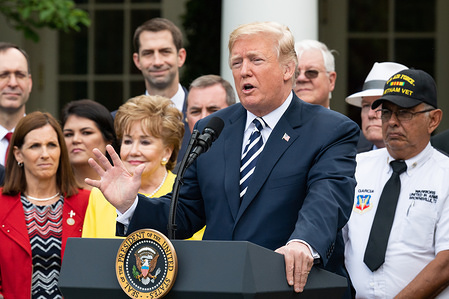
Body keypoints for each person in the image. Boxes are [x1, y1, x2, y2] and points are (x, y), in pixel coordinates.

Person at [86, 21, 359, 295]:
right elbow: (182, 213)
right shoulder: (213, 128)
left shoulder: (330, 130)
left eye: (256, 60)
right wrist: (130, 204)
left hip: (291, 287)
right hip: (221, 287)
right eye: (237, 62)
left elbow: (328, 198)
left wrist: (303, 242)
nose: (244, 71)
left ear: (288, 68)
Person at [344, 69, 449, 298]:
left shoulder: (445, 176)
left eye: (404, 113)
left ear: (433, 119)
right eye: (386, 113)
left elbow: (446, 263)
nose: (392, 122)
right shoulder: (356, 168)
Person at [0, 111, 90, 299]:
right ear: (18, 154)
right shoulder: (1, 204)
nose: (45, 154)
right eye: (35, 146)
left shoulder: (87, 202)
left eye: (51, 145)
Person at [82, 95, 184, 238]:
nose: (134, 151)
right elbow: (89, 254)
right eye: (128, 141)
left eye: (145, 142)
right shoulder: (100, 194)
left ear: (167, 151)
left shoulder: (185, 192)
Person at [125, 17, 190, 163]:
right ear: (137, 61)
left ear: (180, 57)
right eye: (148, 53)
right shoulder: (118, 121)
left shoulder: (208, 116)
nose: (157, 62)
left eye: (165, 52)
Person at [345, 62, 408, 153]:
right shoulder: (353, 160)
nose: (371, 114)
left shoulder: (433, 162)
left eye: (382, 106)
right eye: (366, 105)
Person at [61, 99, 118, 190]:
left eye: (86, 133)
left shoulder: (127, 190)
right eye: (68, 134)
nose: (75, 140)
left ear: (108, 139)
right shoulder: (52, 193)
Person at [0, 42, 33, 166]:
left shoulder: (48, 142)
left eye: (20, 75)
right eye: (3, 75)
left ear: (29, 83)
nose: (13, 83)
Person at [294, 40, 337, 108]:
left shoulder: (343, 119)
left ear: (331, 80)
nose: (301, 78)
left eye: (311, 72)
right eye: (295, 73)